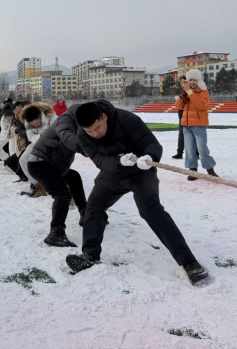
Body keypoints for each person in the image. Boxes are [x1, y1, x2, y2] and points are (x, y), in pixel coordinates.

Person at [65, 101, 208, 286]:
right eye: (89, 131)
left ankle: (189, 263)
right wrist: (119, 162)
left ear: (104, 117)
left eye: (97, 128)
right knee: (93, 207)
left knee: (150, 210)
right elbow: (99, 159)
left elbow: (151, 143)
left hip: (141, 172)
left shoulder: (127, 119)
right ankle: (90, 256)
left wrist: (149, 156)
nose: (95, 134)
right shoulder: (83, 134)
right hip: (113, 173)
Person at [27, 104, 87, 247]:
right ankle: (56, 233)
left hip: (51, 164)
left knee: (73, 177)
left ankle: (85, 214)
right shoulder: (65, 123)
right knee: (62, 195)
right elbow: (75, 143)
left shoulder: (76, 124)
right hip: (40, 164)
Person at [174, 69, 218, 181]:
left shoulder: (204, 92)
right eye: (190, 80)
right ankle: (193, 170)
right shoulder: (186, 92)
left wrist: (190, 92)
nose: (192, 82)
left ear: (199, 81)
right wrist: (183, 93)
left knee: (202, 149)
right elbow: (178, 106)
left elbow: (200, 105)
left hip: (199, 124)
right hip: (186, 125)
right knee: (189, 149)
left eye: (195, 80)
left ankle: (210, 169)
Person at [18, 103, 57, 197]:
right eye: (33, 125)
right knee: (23, 160)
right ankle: (39, 186)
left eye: (37, 123)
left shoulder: (51, 116)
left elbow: (55, 133)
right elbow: (30, 137)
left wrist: (44, 136)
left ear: (40, 116)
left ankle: (58, 183)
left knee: (52, 161)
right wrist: (42, 136)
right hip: (36, 143)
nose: (36, 125)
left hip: (53, 143)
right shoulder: (27, 121)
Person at [172, 76, 186, 159]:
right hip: (181, 116)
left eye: (184, 82)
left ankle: (197, 153)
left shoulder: (190, 91)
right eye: (181, 82)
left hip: (189, 116)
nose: (182, 84)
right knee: (181, 135)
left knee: (193, 135)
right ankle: (179, 153)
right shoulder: (181, 91)